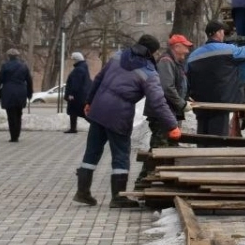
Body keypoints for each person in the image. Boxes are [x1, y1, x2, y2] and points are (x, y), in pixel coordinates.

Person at [74, 34, 180, 208]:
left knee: (92, 151)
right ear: (152, 52)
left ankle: (82, 192)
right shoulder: (148, 71)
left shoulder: (117, 56)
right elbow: (158, 102)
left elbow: (99, 79)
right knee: (121, 154)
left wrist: (89, 101)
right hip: (119, 113)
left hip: (99, 108)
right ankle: (118, 197)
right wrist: (172, 125)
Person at [186, 20, 245, 138]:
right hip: (220, 104)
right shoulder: (227, 50)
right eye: (222, 31)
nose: (223, 34)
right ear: (218, 33)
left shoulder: (193, 55)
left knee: (203, 137)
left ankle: (202, 155)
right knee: (218, 139)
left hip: (201, 104)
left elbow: (187, 79)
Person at [136, 35, 193, 188]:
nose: (187, 51)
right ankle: (142, 183)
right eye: (185, 47)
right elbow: (167, 88)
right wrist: (181, 104)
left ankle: (167, 183)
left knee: (168, 149)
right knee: (158, 149)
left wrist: (186, 98)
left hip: (169, 113)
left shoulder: (175, 63)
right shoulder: (166, 62)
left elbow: (177, 85)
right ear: (176, 47)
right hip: (162, 114)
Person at [0, 49, 33, 143]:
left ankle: (13, 136)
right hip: (21, 92)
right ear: (18, 56)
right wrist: (30, 93)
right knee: (19, 113)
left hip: (8, 92)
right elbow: (29, 81)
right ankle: (17, 134)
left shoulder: (5, 66)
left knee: (11, 115)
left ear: (8, 56)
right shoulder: (24, 66)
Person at [64, 52, 91, 134]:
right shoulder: (83, 68)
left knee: (82, 112)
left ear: (76, 60)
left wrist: (71, 94)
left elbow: (75, 84)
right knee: (74, 112)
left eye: (73, 59)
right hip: (81, 95)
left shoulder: (79, 69)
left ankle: (98, 127)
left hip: (77, 96)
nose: (72, 61)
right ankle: (73, 128)